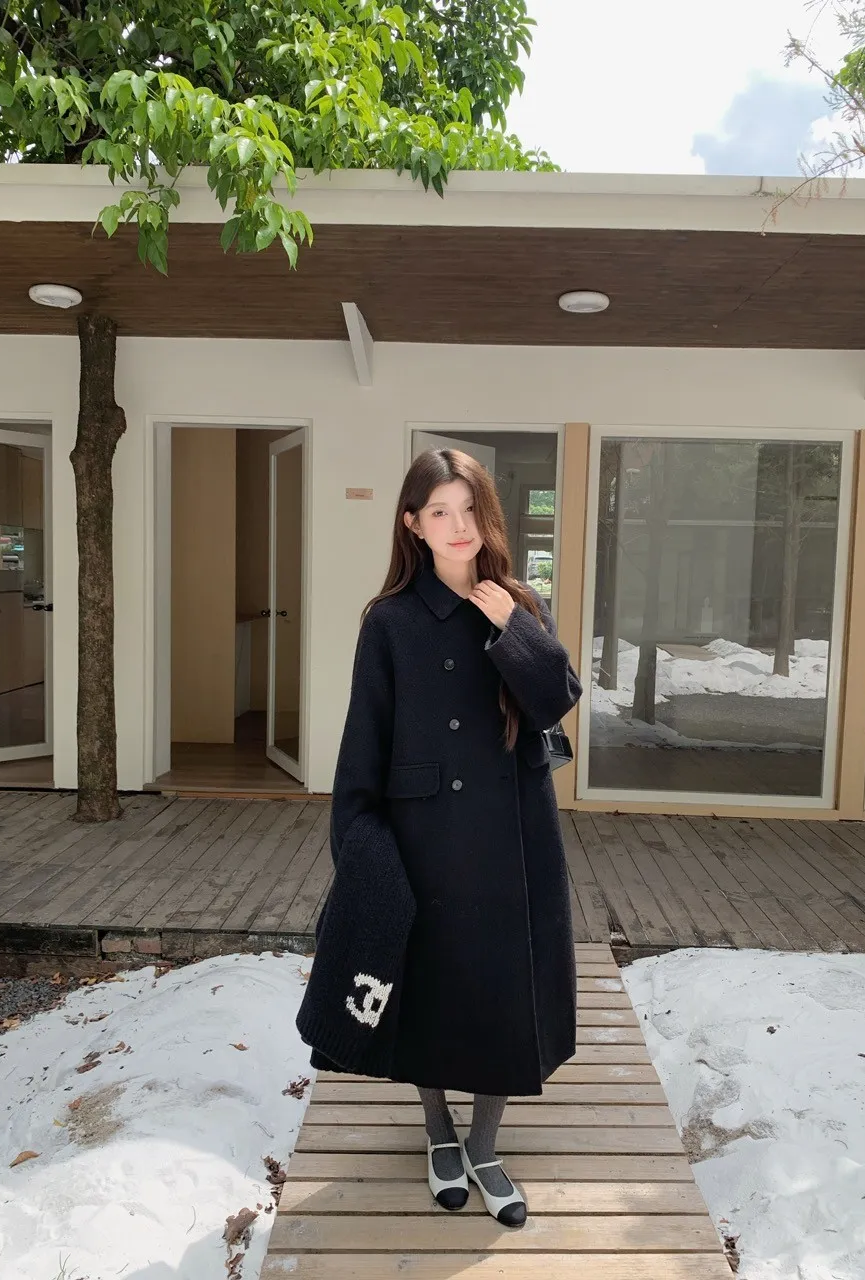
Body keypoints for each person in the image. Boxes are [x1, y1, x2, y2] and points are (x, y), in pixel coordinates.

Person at [318, 447, 582, 1227]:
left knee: (503, 990)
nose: (459, 526)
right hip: (424, 834)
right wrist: (359, 847)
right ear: (414, 523)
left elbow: (556, 699)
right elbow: (364, 743)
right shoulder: (391, 622)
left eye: (469, 509)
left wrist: (511, 627)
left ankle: (485, 1147)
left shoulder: (519, 602)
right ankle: (438, 1133)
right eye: (441, 511)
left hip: (512, 837)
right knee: (427, 986)